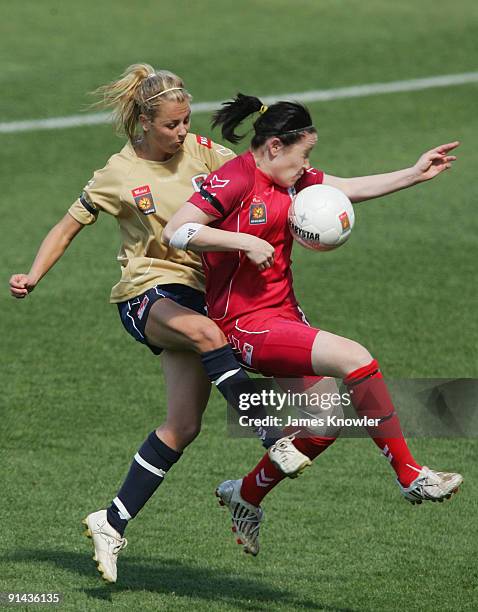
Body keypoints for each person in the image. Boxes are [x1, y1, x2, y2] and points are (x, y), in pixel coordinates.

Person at [8, 70, 312, 582]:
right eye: (172, 124)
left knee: (182, 427)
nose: (183, 131)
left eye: (186, 120)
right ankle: (270, 434)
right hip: (146, 294)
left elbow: (258, 172)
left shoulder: (200, 151)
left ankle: (111, 520)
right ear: (144, 122)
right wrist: (33, 275)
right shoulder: (117, 173)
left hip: (197, 293)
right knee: (209, 335)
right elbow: (67, 227)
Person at [163, 93, 463, 555]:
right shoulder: (236, 177)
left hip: (284, 316)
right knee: (357, 359)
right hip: (245, 326)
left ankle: (245, 494)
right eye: (305, 154)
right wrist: (241, 241)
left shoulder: (291, 180)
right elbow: (178, 229)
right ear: (276, 146)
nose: (309, 166)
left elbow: (347, 187)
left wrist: (413, 173)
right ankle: (410, 476)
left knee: (323, 426)